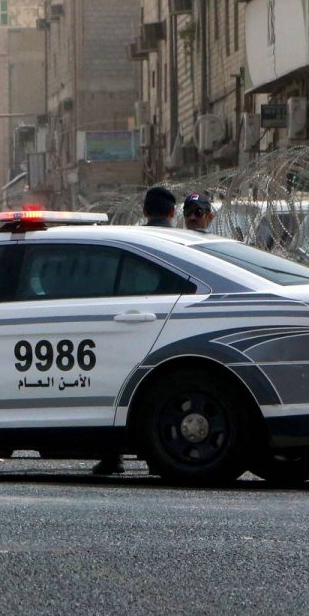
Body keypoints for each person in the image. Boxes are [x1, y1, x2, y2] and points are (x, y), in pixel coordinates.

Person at [94, 184, 176, 477]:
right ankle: (160, 455)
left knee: (117, 388)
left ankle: (111, 456)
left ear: (143, 210)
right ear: (173, 212)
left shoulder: (133, 242)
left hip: (126, 322)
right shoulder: (180, 243)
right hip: (169, 323)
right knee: (162, 392)